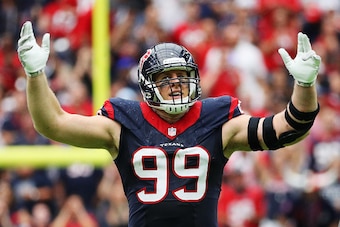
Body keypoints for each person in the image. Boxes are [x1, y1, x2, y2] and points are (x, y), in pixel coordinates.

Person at [17, 21, 321, 227]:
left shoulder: (218, 118)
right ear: (147, 86)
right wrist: (35, 76)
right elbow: (53, 125)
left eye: (181, 76)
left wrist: (305, 85)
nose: (176, 85)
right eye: (165, 79)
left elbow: (288, 130)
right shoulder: (123, 122)